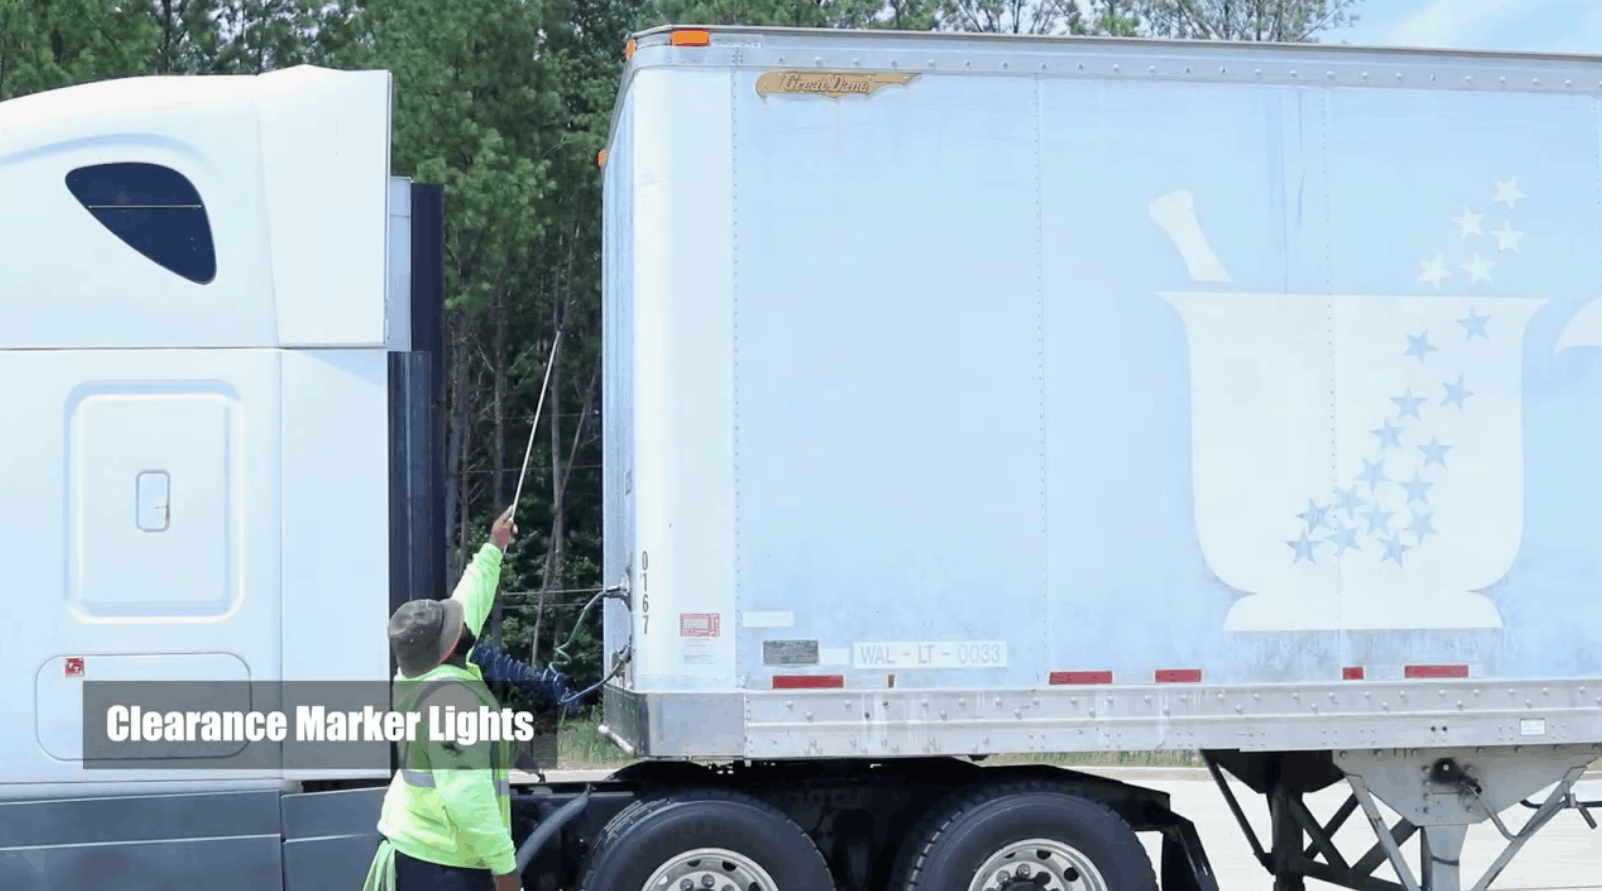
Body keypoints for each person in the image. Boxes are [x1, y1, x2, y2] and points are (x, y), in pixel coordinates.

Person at [363, 506, 523, 891]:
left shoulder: (415, 677)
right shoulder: (453, 702)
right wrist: (505, 870)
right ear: (450, 645)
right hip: (443, 868)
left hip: (416, 849)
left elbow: (469, 600)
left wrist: (493, 548)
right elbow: (467, 795)